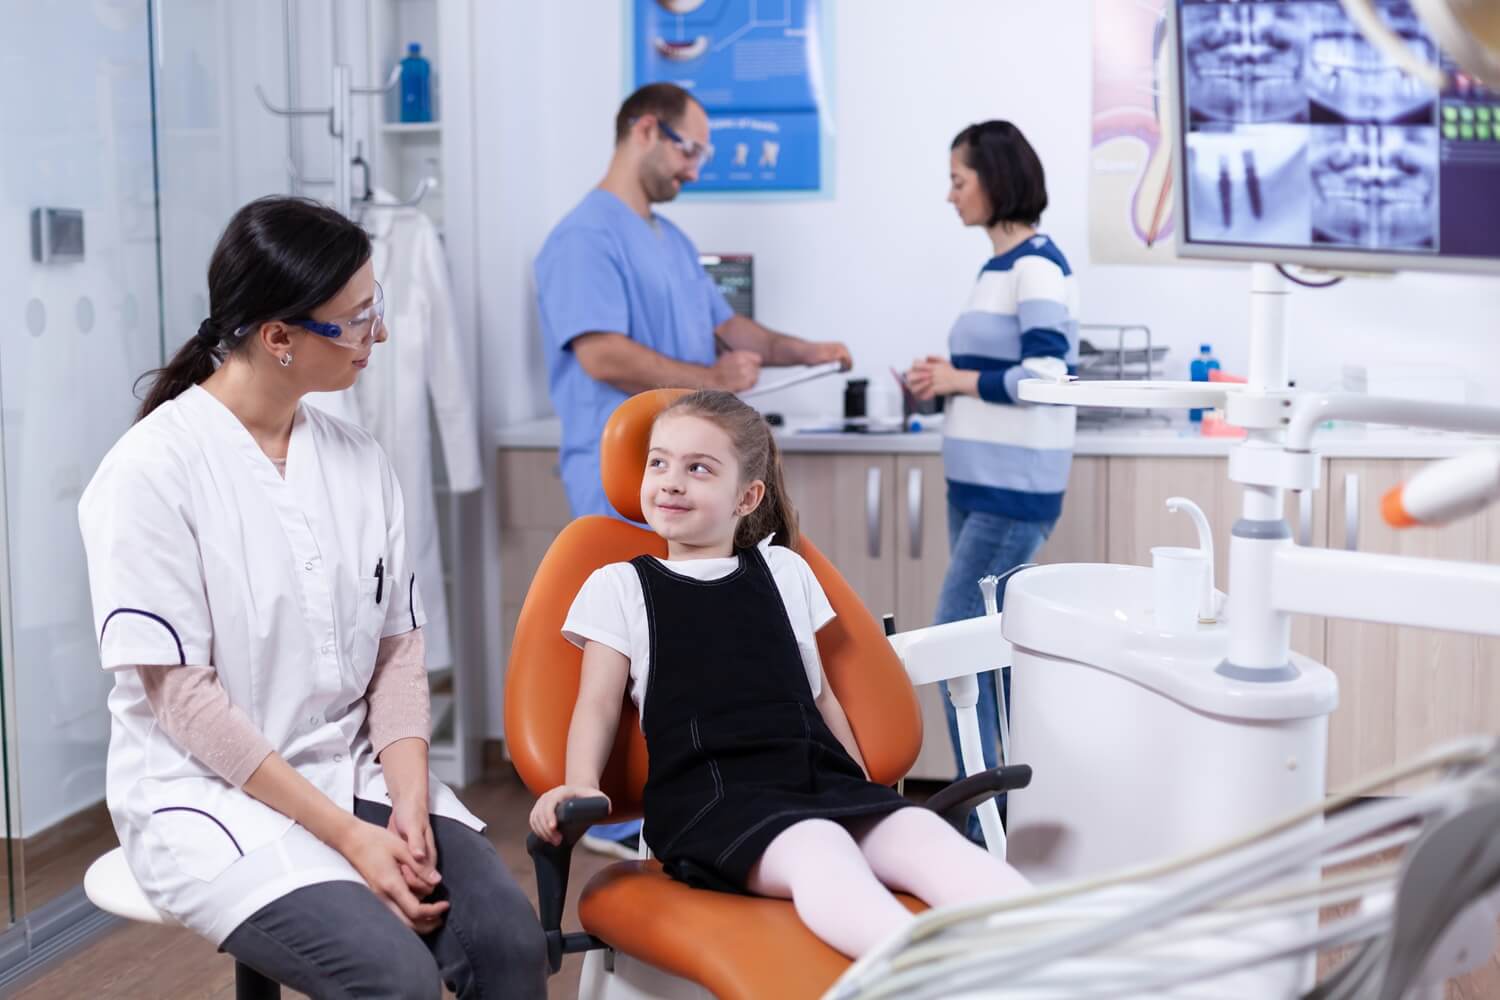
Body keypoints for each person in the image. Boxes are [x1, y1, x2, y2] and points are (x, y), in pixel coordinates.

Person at [79, 197, 546, 999]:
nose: (380, 335)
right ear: (278, 339)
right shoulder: (151, 472)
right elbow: (185, 703)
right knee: (393, 978)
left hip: (354, 771)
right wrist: (350, 840)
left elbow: (397, 651)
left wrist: (408, 800)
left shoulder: (359, 461)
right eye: (358, 320)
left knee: (508, 942)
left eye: (376, 307)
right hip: (209, 794)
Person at [528, 390, 1029, 959]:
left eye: (698, 469)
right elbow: (596, 704)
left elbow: (822, 700)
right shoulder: (618, 586)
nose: (671, 482)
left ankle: (1056, 955)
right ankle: (925, 976)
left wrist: (864, 788)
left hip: (815, 777)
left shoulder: (784, 570)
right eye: (658, 463)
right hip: (711, 798)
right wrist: (580, 783)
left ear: (747, 497)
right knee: (818, 846)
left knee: (922, 834)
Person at [534, 81, 851, 858]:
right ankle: (624, 820)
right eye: (691, 149)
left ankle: (728, 801)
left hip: (698, 479)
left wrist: (806, 351)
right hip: (627, 478)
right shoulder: (583, 239)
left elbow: (731, 328)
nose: (697, 168)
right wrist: (708, 381)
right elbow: (602, 353)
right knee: (634, 658)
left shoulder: (670, 241)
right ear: (646, 130)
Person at [906, 121, 1079, 839]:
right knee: (986, 650)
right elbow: (992, 374)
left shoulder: (1038, 267)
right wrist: (941, 385)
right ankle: (1001, 819)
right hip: (976, 487)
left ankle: (982, 827)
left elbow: (1048, 375)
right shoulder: (997, 268)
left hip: (1012, 494)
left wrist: (958, 379)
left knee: (958, 642)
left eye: (959, 180)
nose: (950, 195)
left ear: (995, 179)